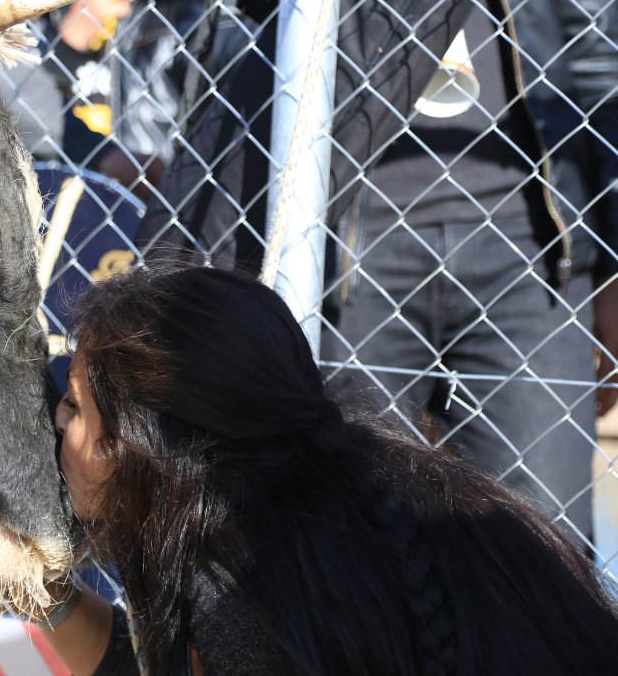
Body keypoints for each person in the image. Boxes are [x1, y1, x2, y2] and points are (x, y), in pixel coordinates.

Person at [128, 0, 618, 542]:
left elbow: (601, 68)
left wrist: (613, 264)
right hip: (346, 253)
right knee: (355, 535)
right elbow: (209, 36)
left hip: (531, 251)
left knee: (547, 544)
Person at [35, 264, 618, 675]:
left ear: (134, 445)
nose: (59, 422)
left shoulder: (245, 600)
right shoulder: (358, 499)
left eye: (75, 405)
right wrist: (42, 592)